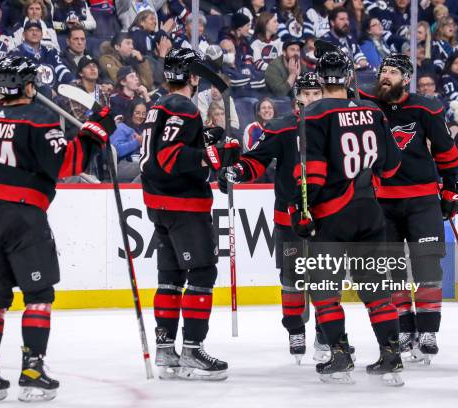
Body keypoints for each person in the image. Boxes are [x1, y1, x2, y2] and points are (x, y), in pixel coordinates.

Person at [0, 56, 113, 401]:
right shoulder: (40, 117)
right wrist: (96, 130)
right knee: (38, 296)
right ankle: (33, 371)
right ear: (26, 85)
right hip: (22, 216)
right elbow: (66, 164)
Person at [290, 48, 404, 385]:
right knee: (375, 287)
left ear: (322, 80)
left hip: (333, 215)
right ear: (350, 78)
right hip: (369, 211)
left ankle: (339, 354)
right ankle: (391, 354)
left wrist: (302, 210)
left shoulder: (314, 113)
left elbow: (314, 174)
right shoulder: (373, 112)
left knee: (325, 287)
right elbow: (391, 165)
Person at [140, 48, 241, 381]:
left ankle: (166, 350)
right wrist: (211, 154)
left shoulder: (159, 105)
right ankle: (192, 350)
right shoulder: (183, 107)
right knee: (201, 274)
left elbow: (163, 149)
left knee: (170, 277)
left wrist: (204, 140)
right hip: (184, 205)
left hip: (160, 204)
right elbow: (171, 158)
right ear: (193, 76)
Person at [217, 72, 332, 365]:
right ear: (296, 99)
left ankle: (325, 332)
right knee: (292, 278)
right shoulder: (281, 128)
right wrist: (238, 171)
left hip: (328, 215)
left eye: (315, 94)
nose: (310, 99)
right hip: (288, 216)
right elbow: (256, 160)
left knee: (325, 279)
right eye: (305, 94)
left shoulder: (334, 126)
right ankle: (296, 330)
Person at [359, 54, 458, 364]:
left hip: (422, 199)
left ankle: (428, 331)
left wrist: (452, 188)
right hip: (382, 200)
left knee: (427, 264)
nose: (385, 76)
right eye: (383, 71)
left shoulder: (425, 107)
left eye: (392, 71)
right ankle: (405, 329)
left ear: (406, 78)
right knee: (392, 268)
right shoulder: (366, 103)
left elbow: (445, 150)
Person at [7, 20, 74, 90]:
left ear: (42, 35)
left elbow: (60, 68)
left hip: (53, 96)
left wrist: (71, 81)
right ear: (24, 34)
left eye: (38, 30)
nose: (34, 33)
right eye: (30, 30)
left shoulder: (50, 51)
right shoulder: (16, 53)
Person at [111, 99, 146, 182]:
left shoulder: (141, 129)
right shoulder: (121, 127)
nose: (141, 116)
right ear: (130, 113)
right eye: (137, 113)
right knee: (147, 167)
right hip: (120, 166)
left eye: (144, 113)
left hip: (136, 163)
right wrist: (138, 142)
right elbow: (116, 150)